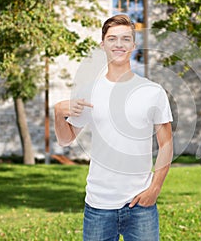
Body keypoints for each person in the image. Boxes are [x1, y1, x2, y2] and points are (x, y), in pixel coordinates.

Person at [54, 14, 173, 241]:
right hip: (98, 205)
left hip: (141, 206)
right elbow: (65, 139)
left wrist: (155, 188)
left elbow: (166, 143)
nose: (119, 44)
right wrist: (59, 114)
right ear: (103, 45)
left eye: (125, 39)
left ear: (133, 45)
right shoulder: (89, 91)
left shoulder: (153, 91)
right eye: (112, 39)